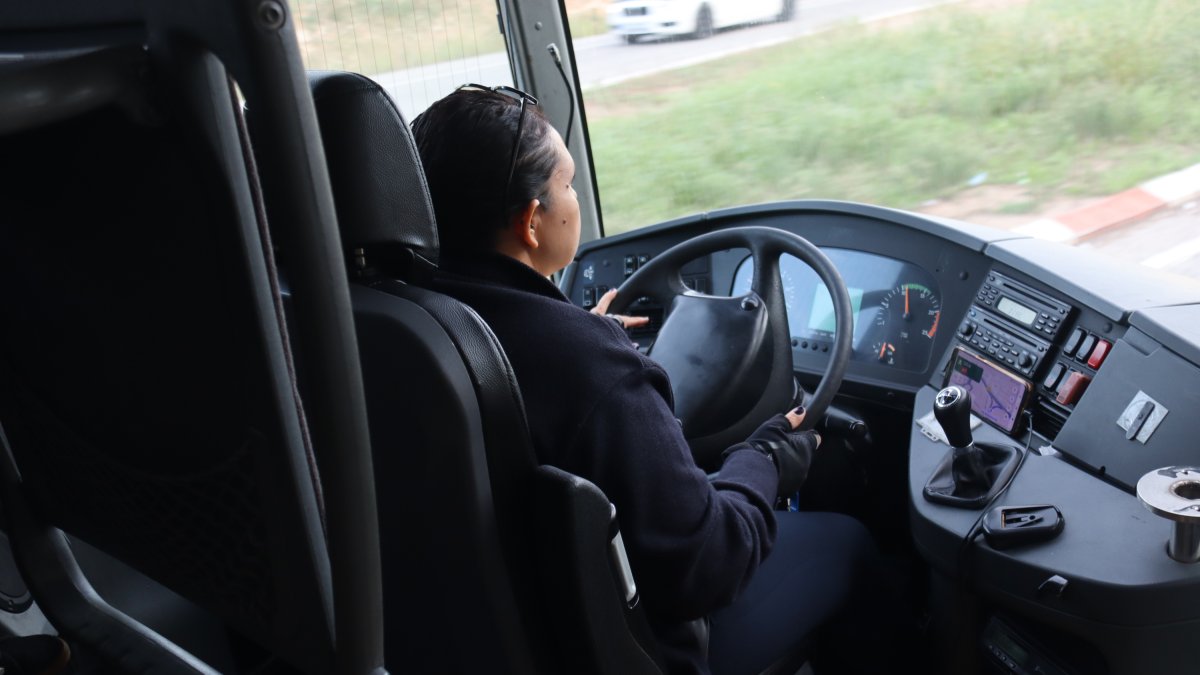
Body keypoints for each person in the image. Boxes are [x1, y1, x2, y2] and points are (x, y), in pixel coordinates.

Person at [411, 85, 887, 675]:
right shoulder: (590, 364)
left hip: (489, 631)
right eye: (568, 184)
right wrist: (763, 459)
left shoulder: (407, 321)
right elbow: (708, 565)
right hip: (639, 648)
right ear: (531, 222)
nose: (575, 198)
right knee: (850, 542)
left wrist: (575, 329)